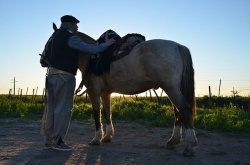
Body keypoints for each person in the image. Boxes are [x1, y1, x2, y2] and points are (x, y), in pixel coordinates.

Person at [43, 15, 115, 151]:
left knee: (51, 109)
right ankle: (58, 141)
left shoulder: (55, 37)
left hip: (51, 76)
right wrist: (107, 44)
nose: (77, 28)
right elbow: (92, 49)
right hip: (65, 77)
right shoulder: (70, 37)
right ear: (70, 25)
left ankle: (48, 140)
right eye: (76, 26)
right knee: (63, 109)